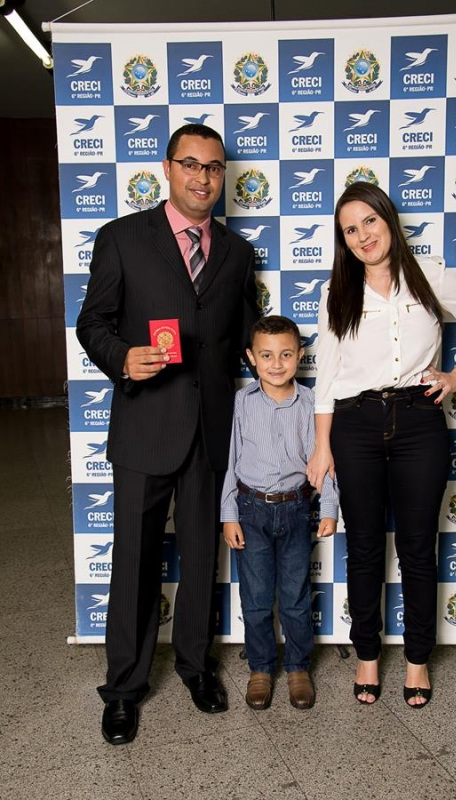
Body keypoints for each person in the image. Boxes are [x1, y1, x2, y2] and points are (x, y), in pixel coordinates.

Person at [76, 123, 259, 744]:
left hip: (211, 428)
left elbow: (245, 334)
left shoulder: (236, 251)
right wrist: (122, 358)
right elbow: (92, 322)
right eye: (191, 164)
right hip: (145, 422)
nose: (203, 177)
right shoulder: (122, 237)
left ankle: (196, 666)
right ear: (167, 168)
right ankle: (123, 688)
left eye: (214, 167)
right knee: (134, 559)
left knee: (202, 554)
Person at [307, 182, 456, 709]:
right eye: (350, 230)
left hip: (419, 421)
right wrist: (322, 446)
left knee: (417, 547)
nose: (363, 236)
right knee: (365, 547)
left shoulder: (428, 274)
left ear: (388, 219)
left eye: (369, 221)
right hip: (355, 424)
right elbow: (327, 378)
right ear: (344, 241)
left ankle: (417, 660)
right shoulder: (337, 292)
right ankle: (367, 656)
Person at [221, 315, 338, 710]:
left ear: (300, 356)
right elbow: (230, 461)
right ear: (251, 357)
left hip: (295, 509)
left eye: (286, 355)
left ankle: (298, 668)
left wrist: (329, 505)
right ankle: (260, 668)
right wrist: (228, 514)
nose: (276, 364)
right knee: (255, 598)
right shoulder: (241, 402)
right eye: (267, 355)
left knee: (295, 596)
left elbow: (323, 458)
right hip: (250, 510)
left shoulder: (312, 403)